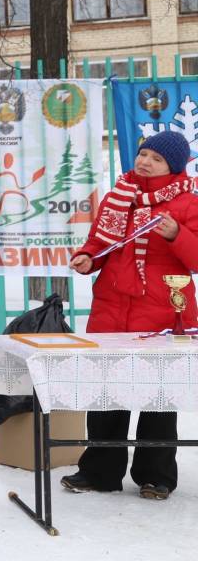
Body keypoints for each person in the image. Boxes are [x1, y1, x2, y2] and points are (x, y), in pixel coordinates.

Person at [63, 130, 198, 501]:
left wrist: (176, 236)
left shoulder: (188, 204)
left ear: (173, 165)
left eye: (155, 158)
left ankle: (156, 476)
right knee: (107, 394)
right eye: (143, 154)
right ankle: (100, 471)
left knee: (157, 398)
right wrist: (89, 258)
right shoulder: (119, 196)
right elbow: (101, 244)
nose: (145, 162)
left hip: (162, 312)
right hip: (111, 308)